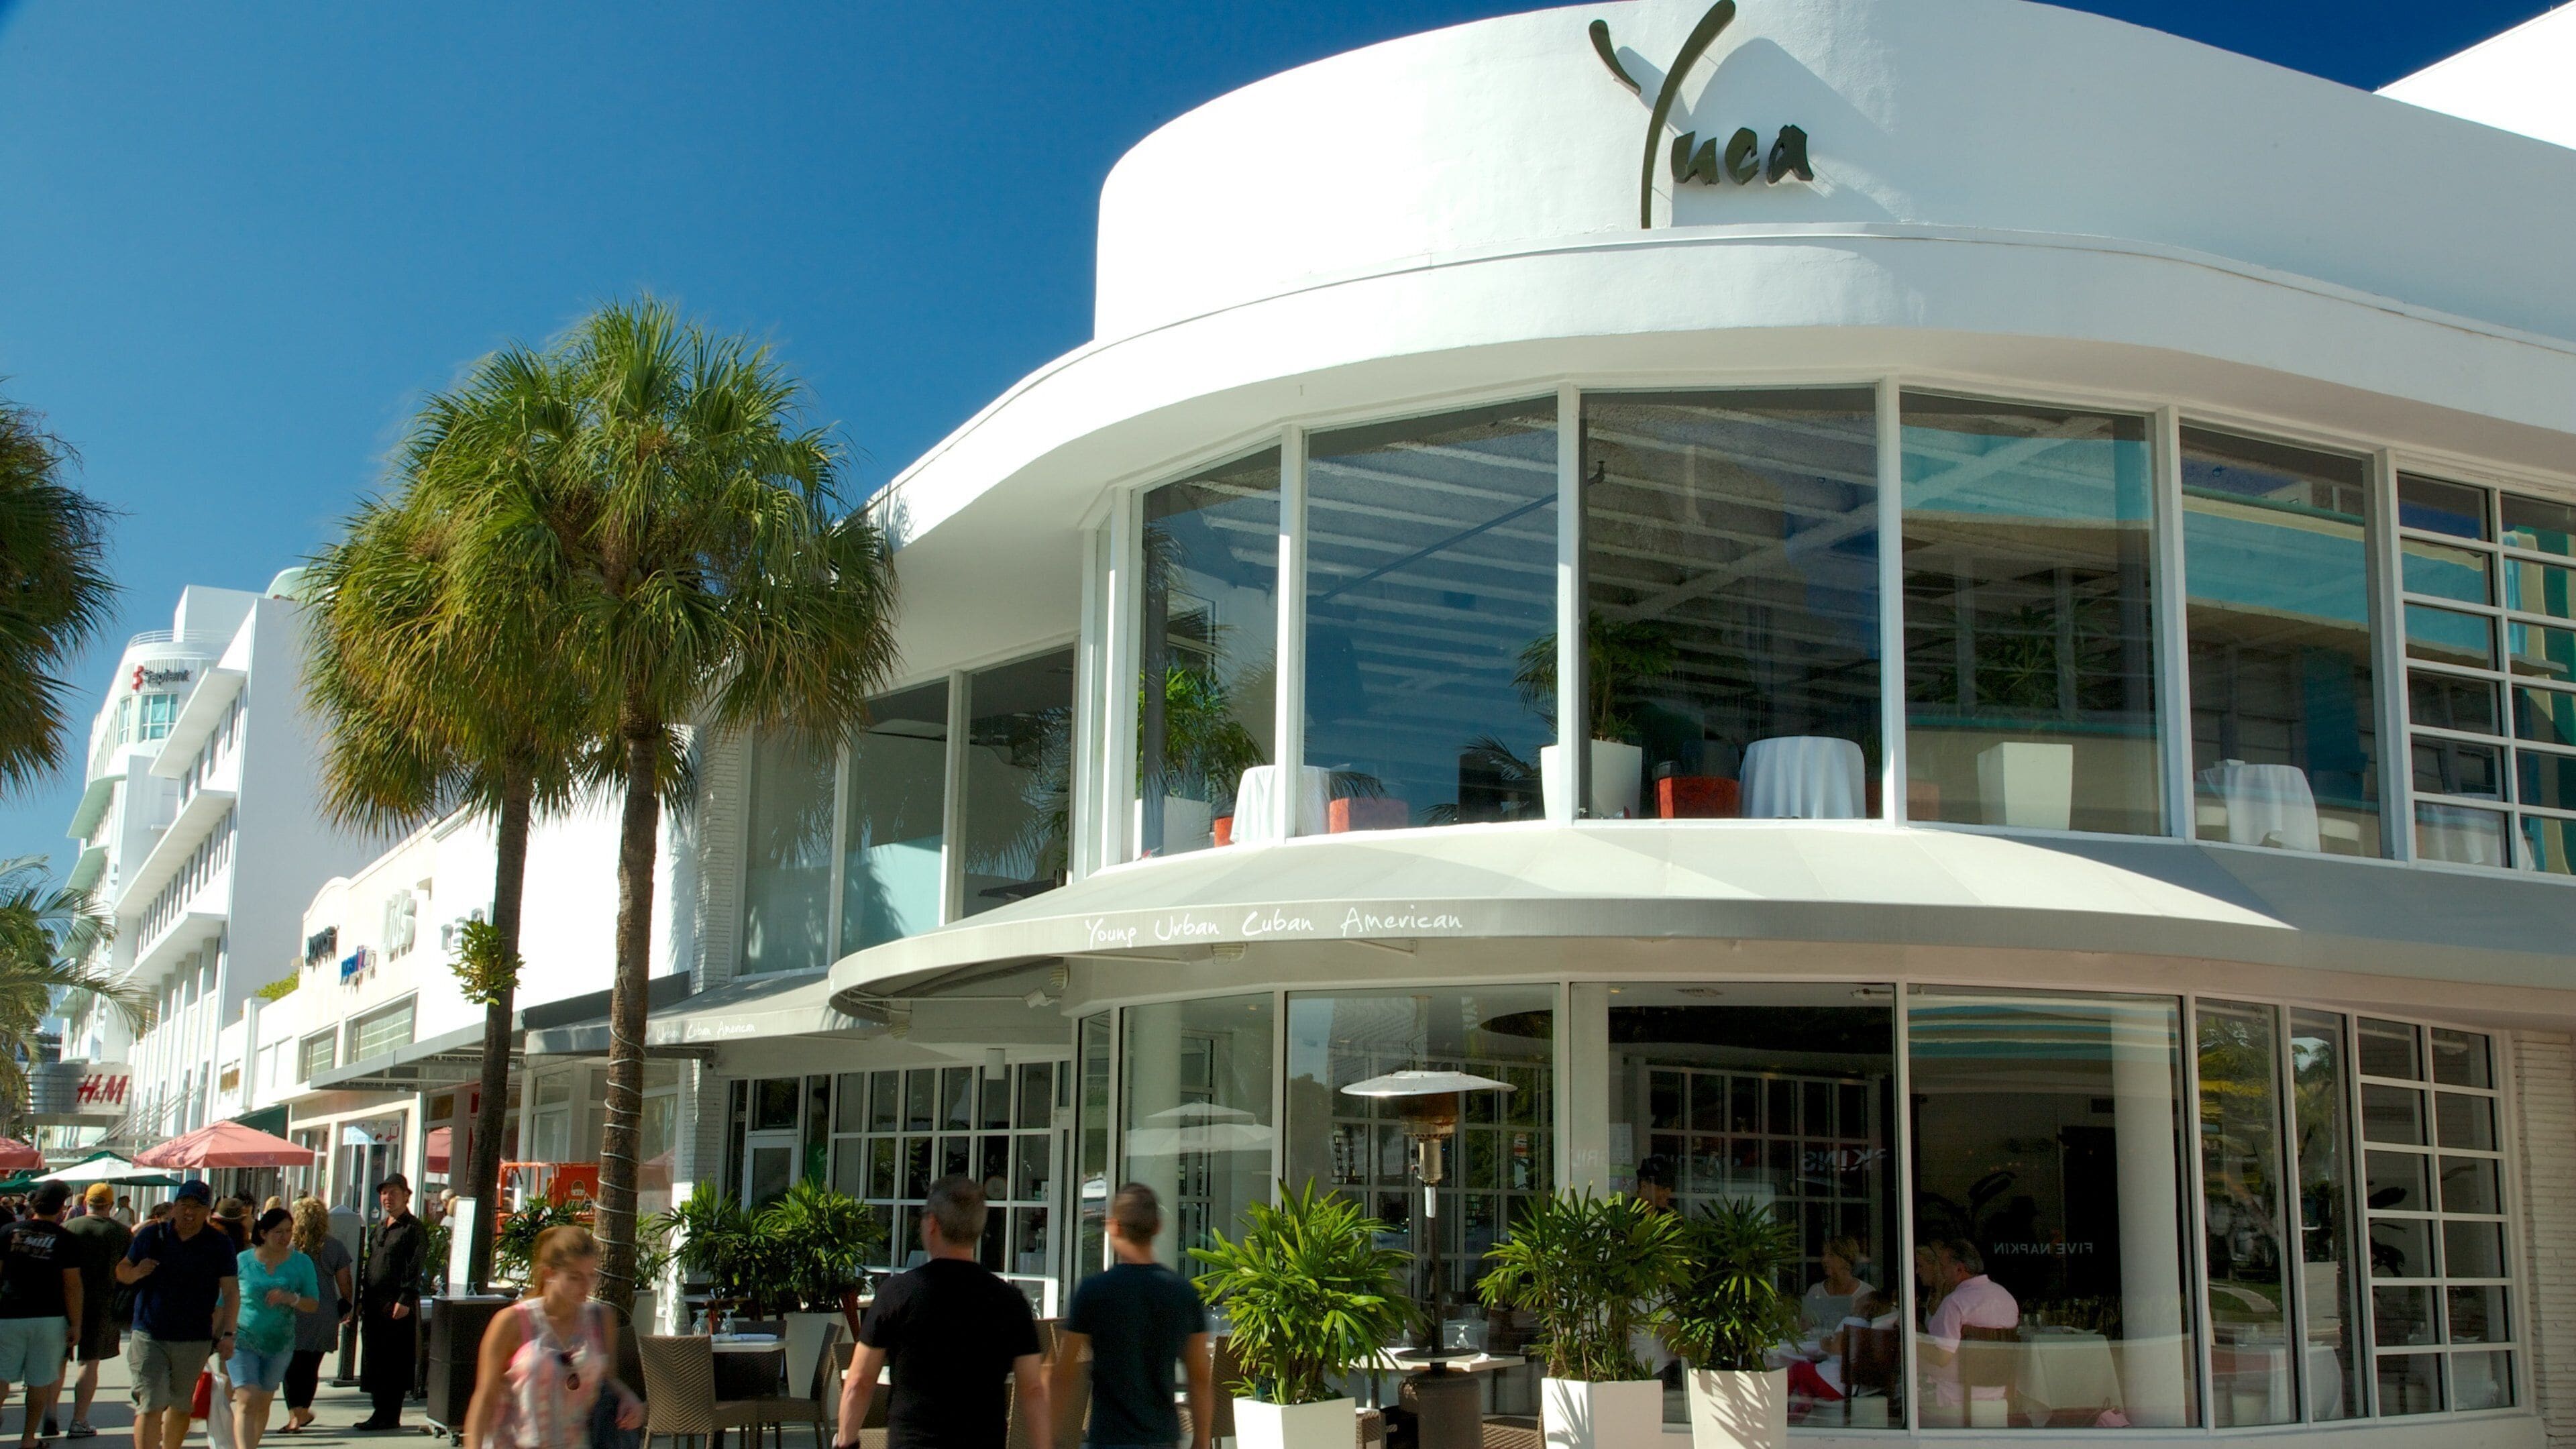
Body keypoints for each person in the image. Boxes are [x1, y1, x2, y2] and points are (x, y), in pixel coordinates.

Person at [839, 1176, 1047, 1449]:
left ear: (933, 1223)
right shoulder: (1010, 1301)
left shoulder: (898, 1294)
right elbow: (1032, 1390)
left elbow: (860, 1382)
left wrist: (845, 1442)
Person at [1051, 1185, 1210, 1449]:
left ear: (1114, 1227)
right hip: (1162, 1437)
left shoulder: (1093, 1292)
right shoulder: (1182, 1293)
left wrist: (1051, 1437)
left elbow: (1065, 1374)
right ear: (1158, 1227)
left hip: (1109, 1437)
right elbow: (1200, 1376)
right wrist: (1202, 1441)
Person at [461, 1226, 641, 1449]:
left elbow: (608, 1379)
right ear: (549, 1274)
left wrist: (628, 1398)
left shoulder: (600, 1319)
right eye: (574, 1277)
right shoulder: (513, 1322)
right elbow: (485, 1398)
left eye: (590, 1276)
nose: (585, 1286)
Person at [116, 1180, 240, 1449]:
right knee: (150, 1403)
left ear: (208, 1210)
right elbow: (122, 1270)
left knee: (182, 1405)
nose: (189, 1213)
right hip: (150, 1333)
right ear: (174, 1207)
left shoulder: (218, 1244)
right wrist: (137, 1272)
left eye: (197, 1207)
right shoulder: (152, 1236)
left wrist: (228, 1334)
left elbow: (231, 1292)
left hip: (194, 1337)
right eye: (184, 1205)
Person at [0, 1184, 83, 1449]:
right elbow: (72, 1285)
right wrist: (76, 1323)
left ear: (33, 1205)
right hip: (50, 1317)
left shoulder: (7, 1232)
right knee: (38, 1382)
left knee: (1, 1378)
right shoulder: (67, 1239)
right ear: (61, 1208)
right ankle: (27, 1439)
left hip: (8, 1314)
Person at [230, 1209, 319, 1449]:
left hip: (279, 1343)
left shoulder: (302, 1263)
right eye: (278, 1232)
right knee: (247, 1400)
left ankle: (251, 1444)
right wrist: (221, 1336)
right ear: (263, 1233)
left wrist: (291, 1299)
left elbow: (313, 1303)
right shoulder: (243, 1261)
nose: (285, 1237)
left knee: (262, 1403)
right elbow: (225, 1299)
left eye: (289, 1231)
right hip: (242, 1339)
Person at [1916, 1239, 2019, 1424]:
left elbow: (1942, 1357)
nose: (1941, 1271)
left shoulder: (1955, 1302)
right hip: (1998, 1394)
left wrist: (1913, 1341)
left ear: (1959, 1269)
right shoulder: (2006, 1297)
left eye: (1943, 1265)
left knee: (1905, 1402)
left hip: (1954, 1398)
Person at [354, 1175, 425, 1432]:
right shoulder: (380, 1227)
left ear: (406, 1195)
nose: (388, 1197)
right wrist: (361, 1299)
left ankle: (389, 1414)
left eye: (393, 1192)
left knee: (393, 1361)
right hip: (374, 1305)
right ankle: (379, 1411)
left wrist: (405, 1298)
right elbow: (370, 1264)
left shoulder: (412, 1228)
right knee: (374, 1358)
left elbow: (414, 1267)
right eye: (384, 1193)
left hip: (396, 1305)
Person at [63, 1183, 133, 1440]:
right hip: (103, 1303)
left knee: (57, 1361)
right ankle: (78, 1420)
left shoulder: (69, 1228)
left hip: (65, 1302)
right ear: (110, 1204)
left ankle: (48, 1415)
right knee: (89, 1363)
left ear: (87, 1203)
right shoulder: (121, 1232)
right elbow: (129, 1270)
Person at [282, 1199, 352, 1433]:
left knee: (291, 1368)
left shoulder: (288, 1248)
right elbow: (345, 1284)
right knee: (311, 1367)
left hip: (295, 1310)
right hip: (324, 1312)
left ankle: (296, 1415)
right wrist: (347, 1305)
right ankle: (302, 1411)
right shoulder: (335, 1247)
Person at [1803, 1236, 1874, 1334]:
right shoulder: (1815, 1291)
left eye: (1831, 1255)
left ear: (1846, 1259)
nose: (1824, 1260)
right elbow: (1804, 1329)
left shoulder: (1866, 1292)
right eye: (1824, 1255)